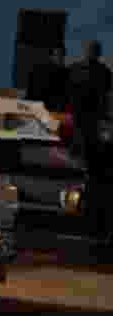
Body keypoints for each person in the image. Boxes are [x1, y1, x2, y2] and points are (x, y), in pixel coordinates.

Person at [67, 40, 113, 237]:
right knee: (93, 163)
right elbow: (106, 97)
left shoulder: (75, 70)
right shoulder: (103, 72)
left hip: (81, 121)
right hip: (92, 122)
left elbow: (70, 94)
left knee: (83, 159)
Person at [26, 46, 69, 113]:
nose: (61, 58)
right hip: (45, 108)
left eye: (62, 55)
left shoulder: (64, 72)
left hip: (36, 107)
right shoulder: (62, 72)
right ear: (51, 56)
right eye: (58, 55)